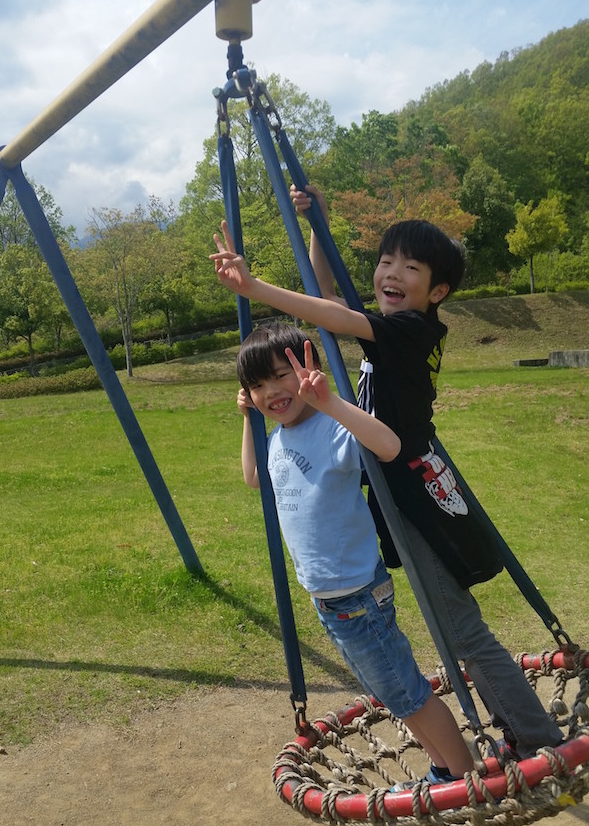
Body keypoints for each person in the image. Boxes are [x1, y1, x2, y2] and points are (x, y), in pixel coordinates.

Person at [211, 206, 564, 761]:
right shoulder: (398, 331)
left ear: (437, 291)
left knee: (461, 630)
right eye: (385, 261)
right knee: (458, 629)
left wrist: (252, 287)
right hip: (410, 485)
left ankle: (536, 738)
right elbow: (326, 299)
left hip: (414, 496)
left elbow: (330, 314)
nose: (391, 273)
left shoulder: (410, 330)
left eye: (411, 267)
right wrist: (316, 226)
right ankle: (523, 730)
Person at [236, 321, 474, 785]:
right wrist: (249, 420)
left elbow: (388, 445)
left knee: (408, 693)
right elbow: (254, 477)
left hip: (359, 596)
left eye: (281, 376)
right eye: (258, 385)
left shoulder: (330, 428)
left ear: (307, 370)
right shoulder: (278, 437)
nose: (272, 392)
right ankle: (445, 766)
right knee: (394, 693)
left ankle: (464, 778)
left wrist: (330, 402)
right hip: (329, 599)